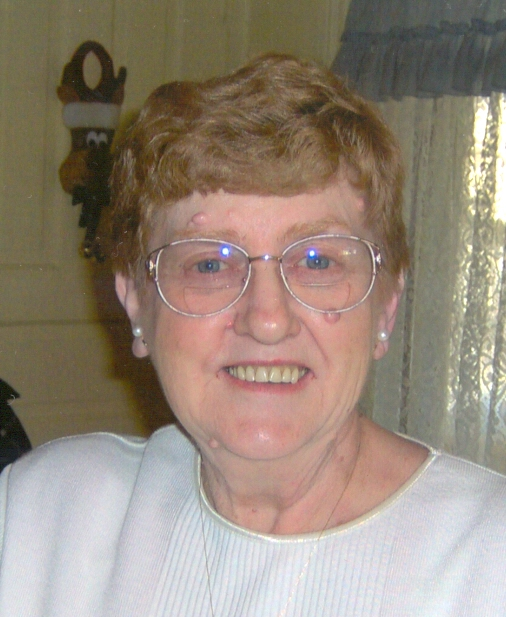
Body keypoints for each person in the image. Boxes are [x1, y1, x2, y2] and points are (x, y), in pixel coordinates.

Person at [0, 53, 505, 617]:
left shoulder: (489, 558)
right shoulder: (42, 517)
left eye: (317, 261)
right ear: (136, 300)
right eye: (210, 264)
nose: (267, 319)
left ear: (385, 305)